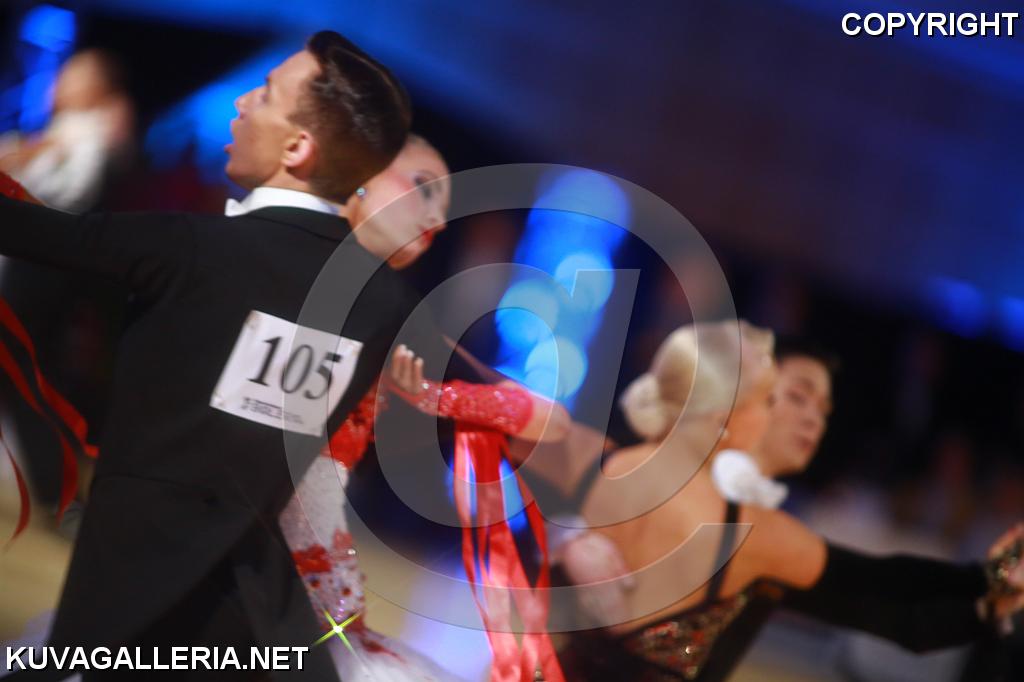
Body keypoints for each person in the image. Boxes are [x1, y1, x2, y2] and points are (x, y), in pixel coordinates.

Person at [0, 30, 413, 681]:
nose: (243, 101)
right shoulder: (381, 301)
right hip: (259, 629)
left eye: (266, 94)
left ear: (297, 148)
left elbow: (26, 228)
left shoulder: (189, 248)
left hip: (120, 614)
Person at [558, 321, 1024, 681]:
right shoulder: (727, 518)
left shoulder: (766, 535)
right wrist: (565, 537)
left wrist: (992, 595)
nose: (813, 420)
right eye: (797, 397)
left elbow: (893, 611)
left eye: (823, 410)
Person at [278, 136, 569, 680]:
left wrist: (436, 396)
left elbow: (548, 419)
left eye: (444, 206)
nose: (436, 218)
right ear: (361, 179)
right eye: (422, 190)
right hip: (215, 527)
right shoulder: (273, 257)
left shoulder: (398, 315)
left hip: (298, 568)